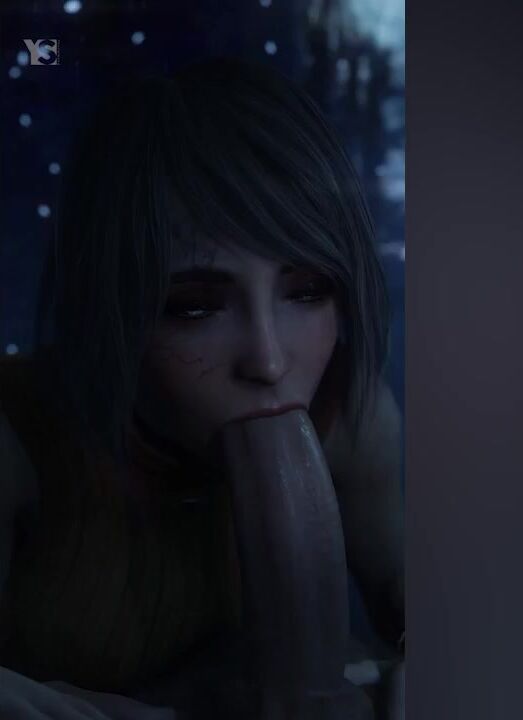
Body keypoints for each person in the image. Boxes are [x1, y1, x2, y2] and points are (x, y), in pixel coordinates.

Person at [0, 57, 404, 719]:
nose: (268, 361)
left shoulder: (351, 418)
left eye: (307, 291)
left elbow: (397, 586)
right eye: (193, 307)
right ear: (112, 308)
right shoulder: (17, 435)